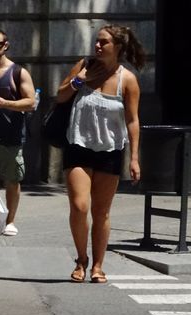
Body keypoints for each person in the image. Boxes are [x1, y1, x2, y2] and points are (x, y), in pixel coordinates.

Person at [56, 24, 144, 284]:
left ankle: (97, 265)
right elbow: (60, 97)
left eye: (103, 42)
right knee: (80, 206)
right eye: (97, 41)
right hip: (78, 145)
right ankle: (81, 259)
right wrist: (78, 80)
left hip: (110, 150)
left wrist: (135, 157)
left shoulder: (127, 80)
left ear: (117, 47)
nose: (97, 46)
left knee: (102, 211)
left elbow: (132, 120)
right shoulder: (84, 66)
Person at [0, 28, 36, 238]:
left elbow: (30, 102)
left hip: (10, 137)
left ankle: (10, 221)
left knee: (12, 180)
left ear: (6, 45)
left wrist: (6, 103)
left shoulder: (18, 72)